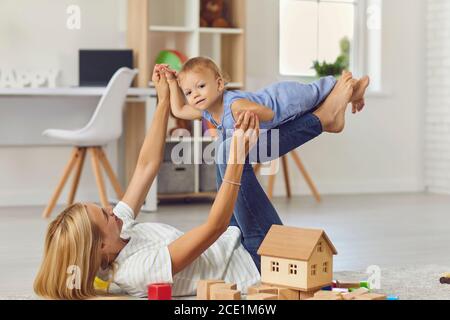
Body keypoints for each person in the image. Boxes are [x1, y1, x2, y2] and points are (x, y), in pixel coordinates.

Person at [34, 61, 366, 299]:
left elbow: (147, 165)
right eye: (104, 214)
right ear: (101, 247)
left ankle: (324, 116)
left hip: (236, 237)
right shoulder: (136, 271)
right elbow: (214, 227)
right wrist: (236, 159)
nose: (111, 209)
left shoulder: (119, 232)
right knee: (226, 153)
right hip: (257, 260)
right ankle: (323, 118)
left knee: (229, 147)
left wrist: (164, 100)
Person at [164, 56, 370, 135]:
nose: (195, 95)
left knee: (317, 92)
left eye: (201, 86)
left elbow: (268, 113)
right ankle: (352, 95)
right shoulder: (208, 112)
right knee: (320, 102)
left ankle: (352, 88)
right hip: (281, 105)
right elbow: (179, 110)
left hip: (285, 98)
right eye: (189, 92)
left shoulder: (233, 106)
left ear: (219, 84)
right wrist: (172, 83)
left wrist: (248, 116)